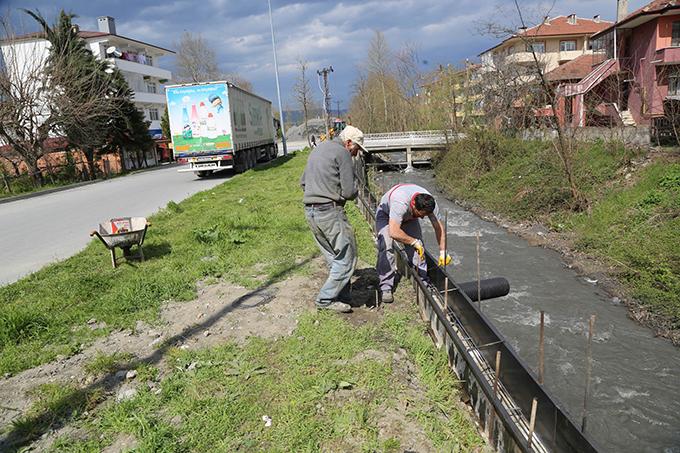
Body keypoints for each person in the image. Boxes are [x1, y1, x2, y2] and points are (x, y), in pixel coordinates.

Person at [300, 125, 366, 312]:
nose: (356, 153)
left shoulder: (319, 148)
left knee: (333, 257)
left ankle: (343, 295)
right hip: (330, 212)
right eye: (357, 149)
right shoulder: (342, 153)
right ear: (348, 143)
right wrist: (355, 189)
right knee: (347, 258)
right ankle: (325, 300)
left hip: (310, 212)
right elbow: (348, 191)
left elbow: (303, 182)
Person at [376, 183, 452, 303]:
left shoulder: (430, 203)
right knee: (386, 247)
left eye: (425, 216)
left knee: (419, 248)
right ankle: (386, 287)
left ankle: (423, 282)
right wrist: (413, 241)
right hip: (386, 215)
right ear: (413, 205)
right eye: (420, 215)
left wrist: (443, 252)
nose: (422, 218)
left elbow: (439, 228)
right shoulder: (400, 202)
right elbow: (394, 232)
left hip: (409, 217)